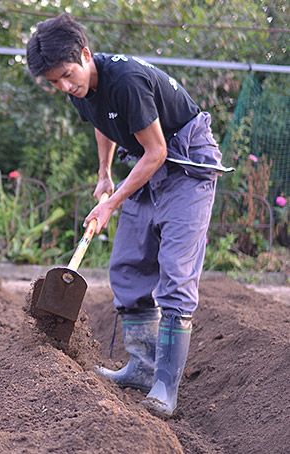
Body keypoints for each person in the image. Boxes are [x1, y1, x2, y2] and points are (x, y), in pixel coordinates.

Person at [26, 13, 232, 417]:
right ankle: (140, 367)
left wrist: (110, 203)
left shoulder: (128, 81)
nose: (65, 86)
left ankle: (165, 387)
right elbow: (102, 120)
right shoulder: (80, 89)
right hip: (148, 161)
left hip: (185, 163)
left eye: (67, 75)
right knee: (126, 263)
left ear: (85, 54)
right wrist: (104, 174)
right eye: (54, 83)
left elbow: (156, 152)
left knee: (174, 271)